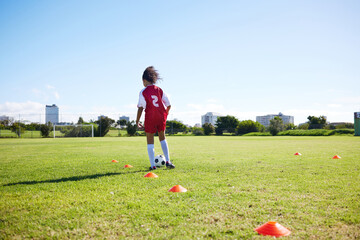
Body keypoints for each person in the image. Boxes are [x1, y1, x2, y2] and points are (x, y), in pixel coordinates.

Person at [136, 66, 175, 170]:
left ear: (144, 80)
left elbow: (140, 107)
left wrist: (137, 121)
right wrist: (165, 115)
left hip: (150, 116)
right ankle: (168, 161)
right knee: (162, 138)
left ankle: (153, 165)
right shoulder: (159, 90)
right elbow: (169, 104)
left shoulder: (143, 92)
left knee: (150, 140)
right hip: (161, 115)